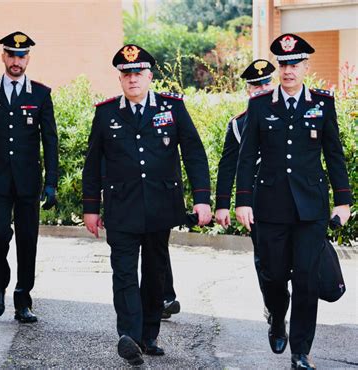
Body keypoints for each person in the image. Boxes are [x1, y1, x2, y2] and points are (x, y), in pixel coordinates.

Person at [82, 44, 212, 365]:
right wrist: (90, 208)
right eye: (126, 74)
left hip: (160, 207)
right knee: (123, 272)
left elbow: (194, 154)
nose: (132, 79)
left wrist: (202, 199)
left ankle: (148, 335)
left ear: (150, 76)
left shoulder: (172, 108)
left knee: (154, 272)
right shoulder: (106, 112)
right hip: (121, 208)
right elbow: (93, 162)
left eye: (138, 73)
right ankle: (129, 335)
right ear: (120, 79)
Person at [235, 34, 352, 369]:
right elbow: (246, 158)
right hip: (270, 206)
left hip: (310, 208)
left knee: (306, 278)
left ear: (305, 66)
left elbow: (334, 155)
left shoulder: (322, 103)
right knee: (272, 274)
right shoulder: (260, 106)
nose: (288, 70)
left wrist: (342, 202)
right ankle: (275, 315)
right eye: (283, 64)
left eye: (294, 64)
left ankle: (300, 352)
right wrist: (243, 201)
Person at [0, 31, 59, 323]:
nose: (16, 61)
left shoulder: (40, 94)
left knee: (27, 240)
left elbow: (50, 140)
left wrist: (51, 182)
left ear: (28, 60)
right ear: (3, 57)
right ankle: (0, 284)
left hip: (28, 181)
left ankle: (23, 299)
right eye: (11, 55)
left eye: (21, 57)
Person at [215, 59, 276, 322]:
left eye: (265, 83)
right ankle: (273, 304)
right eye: (255, 85)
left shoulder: (291, 114)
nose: (261, 89)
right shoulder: (239, 124)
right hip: (256, 202)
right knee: (265, 257)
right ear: (247, 90)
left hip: (290, 198)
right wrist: (222, 204)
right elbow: (228, 166)